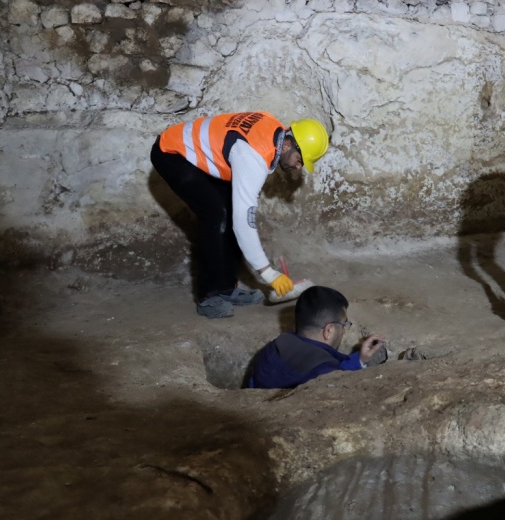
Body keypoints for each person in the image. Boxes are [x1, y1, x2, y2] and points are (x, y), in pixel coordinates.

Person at [150, 112, 330, 318]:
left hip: (198, 150)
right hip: (172, 152)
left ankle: (226, 288)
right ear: (288, 145)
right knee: (215, 214)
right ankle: (207, 296)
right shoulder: (252, 157)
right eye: (300, 160)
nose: (299, 167)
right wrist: (268, 273)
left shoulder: (275, 132)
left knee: (229, 211)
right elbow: (244, 222)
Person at [249, 286, 385, 389]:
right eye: (344, 324)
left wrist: (360, 360)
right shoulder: (325, 377)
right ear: (329, 330)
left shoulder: (272, 349)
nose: (344, 331)